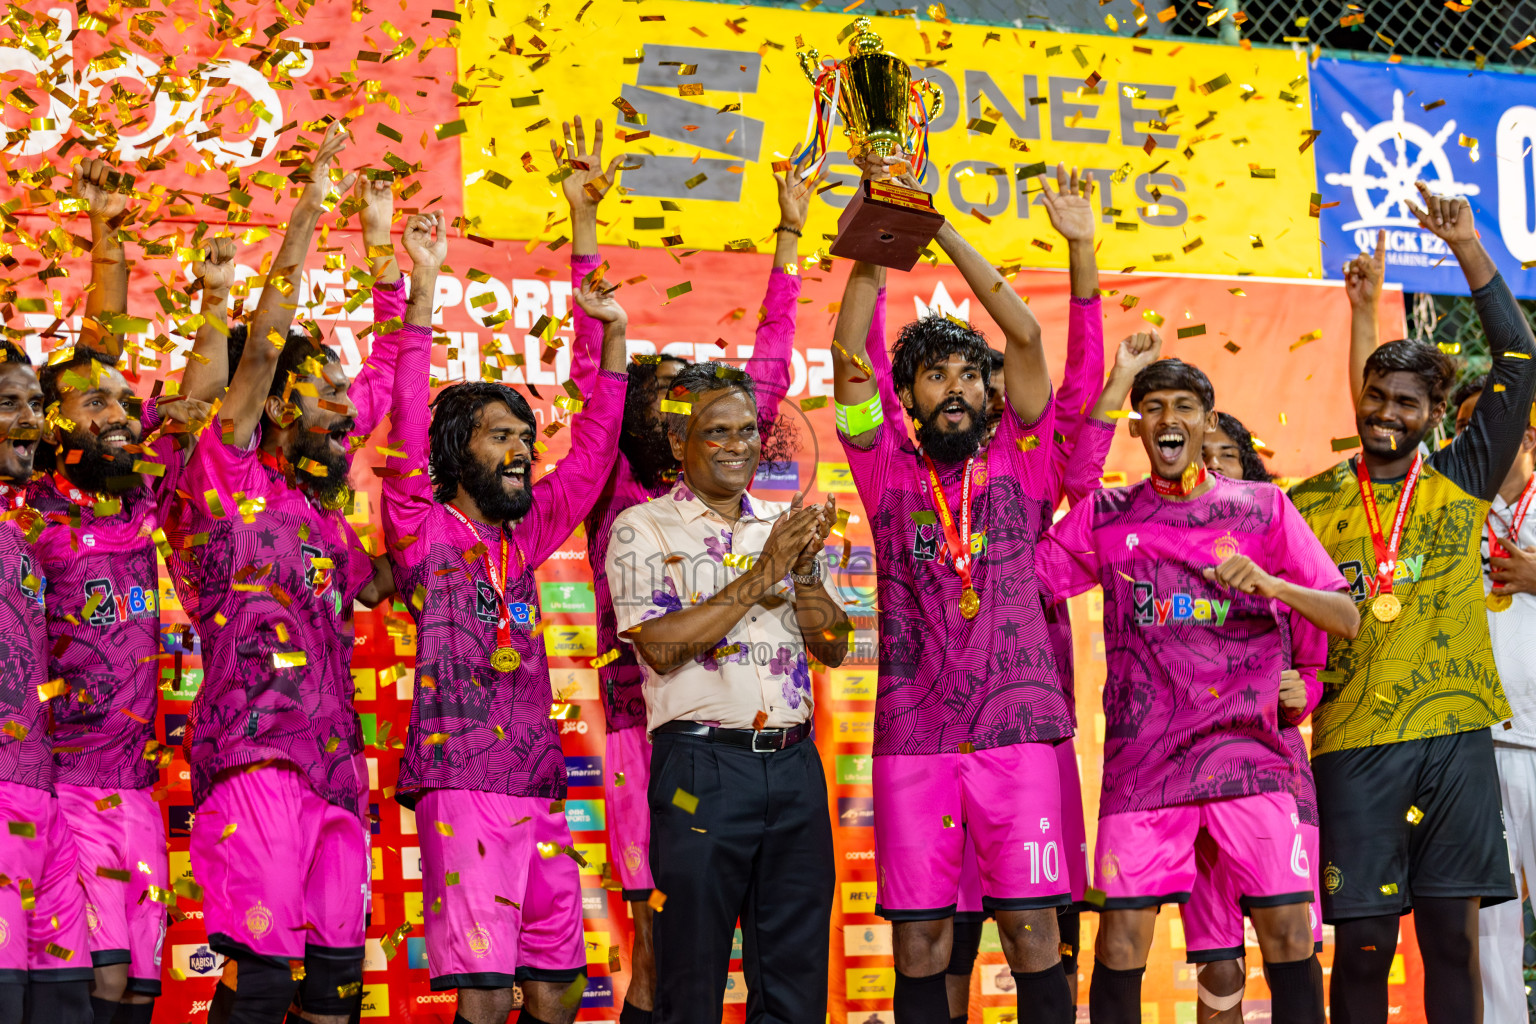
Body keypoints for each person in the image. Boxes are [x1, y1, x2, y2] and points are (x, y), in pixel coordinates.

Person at [828, 153, 1110, 1024]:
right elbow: (847, 355)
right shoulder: (884, 473)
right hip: (913, 733)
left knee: (1033, 934)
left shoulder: (1022, 465)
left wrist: (935, 222)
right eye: (932, 376)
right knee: (920, 945)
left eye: (964, 376)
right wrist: (883, 229)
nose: (953, 388)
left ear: (987, 398)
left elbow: (1024, 338)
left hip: (1018, 731)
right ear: (907, 399)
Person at [553, 115, 820, 1024]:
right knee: (665, 951)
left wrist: (790, 236)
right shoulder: (612, 491)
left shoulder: (734, 487)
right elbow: (595, 360)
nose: (678, 408)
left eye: (688, 396)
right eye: (659, 394)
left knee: (700, 955)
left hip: (757, 751)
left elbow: (770, 373)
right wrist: (585, 229)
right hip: (648, 729)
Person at [1037, 353, 1358, 1024]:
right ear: (1138, 426)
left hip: (1251, 759)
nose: (1168, 419)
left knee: (1290, 937)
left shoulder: (1262, 508)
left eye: (1183, 406)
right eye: (1152, 407)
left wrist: (1271, 586)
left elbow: (1345, 615)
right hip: (1144, 767)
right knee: (1120, 941)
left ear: (1206, 421)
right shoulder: (1108, 514)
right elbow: (1031, 580)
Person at [164, 121, 400, 1024]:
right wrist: (307, 209)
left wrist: (389, 256)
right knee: (260, 989)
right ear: (271, 408)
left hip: (336, 769)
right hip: (251, 759)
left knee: (336, 996)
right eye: (322, 388)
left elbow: (385, 376)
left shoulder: (327, 519)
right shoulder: (225, 473)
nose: (343, 406)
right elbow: (262, 349)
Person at [1288, 183, 1536, 1024]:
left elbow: (1519, 359)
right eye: (1376, 397)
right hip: (1356, 741)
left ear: (1434, 417)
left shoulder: (1461, 481)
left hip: (1458, 736)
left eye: (1405, 403)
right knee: (1361, 952)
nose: (1386, 413)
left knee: (1453, 946)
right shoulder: (1309, 501)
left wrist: (1469, 248)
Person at [380, 209, 629, 1024]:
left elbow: (592, 452)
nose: (523, 450)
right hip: (463, 784)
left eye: (526, 436)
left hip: (538, 784)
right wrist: (422, 288)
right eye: (500, 438)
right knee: (485, 999)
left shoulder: (522, 539)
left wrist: (613, 337)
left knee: (556, 987)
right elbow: (408, 412)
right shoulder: (421, 527)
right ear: (455, 454)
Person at [30, 158, 222, 1024]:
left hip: (137, 786)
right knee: (92, 984)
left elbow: (190, 391)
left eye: (121, 403)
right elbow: (93, 351)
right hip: (60, 783)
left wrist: (116, 227)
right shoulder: (28, 508)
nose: (117, 412)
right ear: (47, 428)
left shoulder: (141, 491)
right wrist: (107, 239)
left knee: (140, 988)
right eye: (94, 407)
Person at [605, 363, 849, 1024]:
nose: (740, 445)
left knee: (797, 986)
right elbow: (660, 645)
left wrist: (801, 576)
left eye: (747, 430)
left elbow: (832, 646)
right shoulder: (642, 529)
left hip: (795, 767)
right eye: (718, 432)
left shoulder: (782, 522)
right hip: (699, 770)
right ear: (681, 439)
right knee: (691, 981)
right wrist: (763, 570)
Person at [1187, 413, 1325, 1024]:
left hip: (1275, 771)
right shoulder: (1159, 563)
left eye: (1227, 457)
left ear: (1251, 474)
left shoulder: (1285, 563)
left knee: (1290, 943)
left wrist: (1302, 692)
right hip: (1192, 778)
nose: (1214, 468)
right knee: (1218, 963)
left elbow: (1314, 670)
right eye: (1201, 456)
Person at [0, 340, 93, 1023]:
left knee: (64, 1009)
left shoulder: (31, 523)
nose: (29, 420)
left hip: (43, 796)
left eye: (35, 404)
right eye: (8, 404)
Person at [1446, 376, 1536, 1024]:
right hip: (1475, 746)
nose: (1478, 438)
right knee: (1491, 924)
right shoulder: (1447, 514)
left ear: (1528, 434)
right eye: (1468, 427)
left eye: (1493, 422)